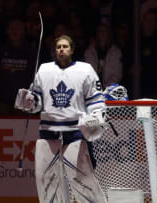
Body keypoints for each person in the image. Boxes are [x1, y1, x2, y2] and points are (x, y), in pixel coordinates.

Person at [14, 35, 107, 203]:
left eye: (65, 47)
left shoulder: (85, 70)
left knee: (83, 181)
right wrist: (29, 101)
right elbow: (36, 101)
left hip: (75, 133)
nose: (61, 50)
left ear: (72, 50)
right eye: (58, 47)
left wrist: (95, 118)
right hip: (48, 133)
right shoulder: (44, 69)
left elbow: (95, 99)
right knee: (47, 182)